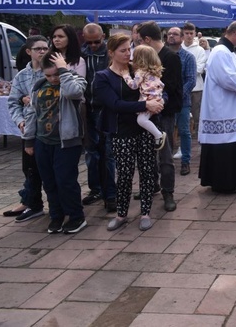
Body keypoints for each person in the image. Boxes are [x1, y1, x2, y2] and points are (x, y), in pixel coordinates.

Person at [95, 34, 164, 232]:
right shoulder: (103, 77)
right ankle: (121, 214)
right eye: (123, 50)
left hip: (144, 129)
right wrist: (145, 104)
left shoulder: (138, 68)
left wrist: (160, 100)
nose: (128, 54)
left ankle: (145, 213)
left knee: (147, 171)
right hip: (121, 131)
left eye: (129, 49)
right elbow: (114, 104)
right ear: (111, 53)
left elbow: (157, 86)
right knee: (124, 173)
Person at [23, 51, 88, 234]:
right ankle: (56, 216)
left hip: (66, 141)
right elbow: (32, 113)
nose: (53, 79)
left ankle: (76, 216)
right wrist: (28, 139)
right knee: (49, 182)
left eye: (56, 74)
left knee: (65, 181)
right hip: (42, 141)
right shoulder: (38, 86)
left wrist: (64, 71)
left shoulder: (74, 81)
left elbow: (74, 93)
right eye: (48, 75)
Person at [198, 21, 236, 193]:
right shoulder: (220, 52)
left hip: (230, 106)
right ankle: (224, 183)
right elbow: (229, 80)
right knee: (225, 145)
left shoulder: (228, 51)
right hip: (222, 108)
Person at [138, 21, 182, 212]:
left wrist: (157, 103)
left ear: (147, 39)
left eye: (140, 40)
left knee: (165, 154)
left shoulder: (170, 57)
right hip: (147, 111)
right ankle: (152, 185)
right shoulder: (144, 58)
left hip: (164, 113)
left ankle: (168, 192)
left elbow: (173, 88)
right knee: (147, 153)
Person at [6, 35, 49, 222]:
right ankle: (33, 204)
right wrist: (20, 121)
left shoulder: (52, 71)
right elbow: (13, 102)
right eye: (38, 49)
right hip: (29, 130)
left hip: (49, 129)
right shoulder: (22, 76)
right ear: (28, 51)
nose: (42, 52)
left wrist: (31, 100)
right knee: (30, 169)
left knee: (49, 170)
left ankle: (57, 205)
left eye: (45, 48)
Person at [80, 23, 116, 212]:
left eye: (97, 41)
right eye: (89, 42)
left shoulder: (110, 53)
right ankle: (96, 189)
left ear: (103, 36)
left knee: (108, 153)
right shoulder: (81, 54)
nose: (93, 45)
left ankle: (111, 193)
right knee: (91, 152)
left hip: (106, 108)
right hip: (88, 108)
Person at [123, 45, 167, 149]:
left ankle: (158, 135)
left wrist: (126, 75)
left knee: (141, 120)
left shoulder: (141, 72)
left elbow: (134, 85)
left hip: (149, 100)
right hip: (158, 98)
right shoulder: (155, 71)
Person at [166, 27, 197, 175]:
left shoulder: (188, 57)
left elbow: (191, 80)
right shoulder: (161, 55)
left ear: (182, 38)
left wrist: (177, 95)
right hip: (164, 101)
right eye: (169, 34)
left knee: (184, 131)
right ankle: (165, 161)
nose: (171, 36)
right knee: (165, 132)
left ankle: (185, 161)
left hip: (182, 101)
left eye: (175, 34)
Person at [181, 22, 207, 140]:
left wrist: (185, 68)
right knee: (183, 116)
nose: (189, 36)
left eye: (191, 33)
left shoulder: (200, 50)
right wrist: (191, 67)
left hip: (197, 87)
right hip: (181, 87)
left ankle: (197, 137)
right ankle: (184, 136)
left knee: (196, 115)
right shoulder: (179, 48)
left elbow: (200, 69)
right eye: (187, 33)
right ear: (183, 33)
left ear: (195, 34)